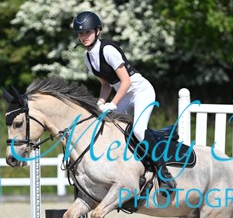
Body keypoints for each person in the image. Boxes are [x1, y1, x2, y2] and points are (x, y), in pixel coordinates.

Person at [71, 10, 176, 191]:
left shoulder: (108, 50)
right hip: (124, 94)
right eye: (81, 33)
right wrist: (100, 104)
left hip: (140, 91)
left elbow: (126, 81)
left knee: (138, 130)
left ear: (97, 31)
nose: (84, 36)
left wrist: (112, 104)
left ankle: (164, 173)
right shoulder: (88, 57)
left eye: (87, 32)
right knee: (110, 129)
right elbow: (106, 84)